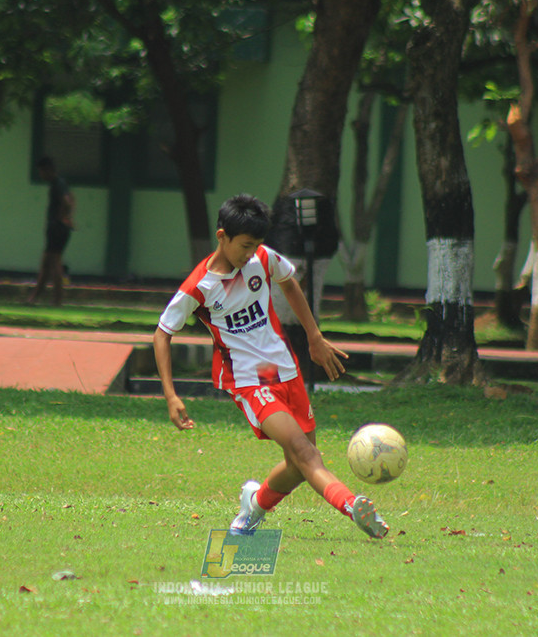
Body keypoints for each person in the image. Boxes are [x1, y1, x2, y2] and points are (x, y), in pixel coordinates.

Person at [153, 193, 388, 539]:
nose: (250, 253)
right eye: (245, 245)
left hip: (287, 370)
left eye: (256, 245)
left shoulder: (262, 259)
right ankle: (352, 506)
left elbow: (289, 283)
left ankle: (253, 507)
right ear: (222, 237)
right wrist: (171, 396)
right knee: (306, 454)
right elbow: (161, 335)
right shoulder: (199, 287)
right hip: (249, 381)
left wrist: (314, 337)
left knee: (298, 467)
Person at [27, 156, 74, 306]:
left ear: (47, 170)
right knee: (47, 264)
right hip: (57, 227)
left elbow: (67, 202)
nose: (41, 175)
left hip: (57, 228)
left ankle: (57, 300)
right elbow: (72, 199)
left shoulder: (58, 184)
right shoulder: (60, 183)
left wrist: (62, 218)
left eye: (41, 171)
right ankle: (34, 298)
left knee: (54, 264)